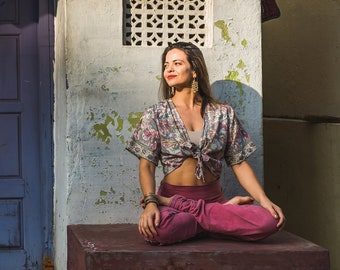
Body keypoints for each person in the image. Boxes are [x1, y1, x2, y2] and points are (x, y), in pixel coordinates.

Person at [126, 42, 285, 245]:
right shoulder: (156, 114)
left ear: (194, 70)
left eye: (177, 63)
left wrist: (264, 200)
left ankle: (203, 219)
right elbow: (146, 165)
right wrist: (150, 202)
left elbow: (239, 162)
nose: (169, 69)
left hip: (212, 198)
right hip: (171, 202)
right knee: (157, 230)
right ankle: (218, 219)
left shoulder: (222, 113)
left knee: (268, 221)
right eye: (166, 65)